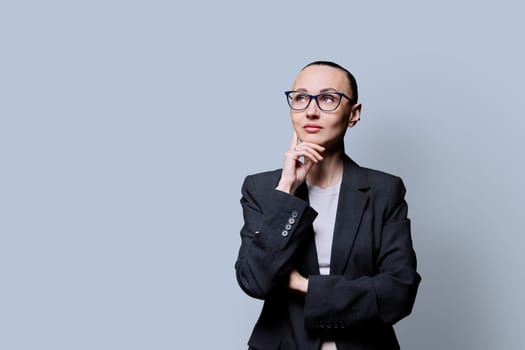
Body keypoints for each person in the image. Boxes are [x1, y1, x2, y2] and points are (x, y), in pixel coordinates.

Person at [235, 61, 421, 350]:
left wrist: (304, 285)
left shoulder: (384, 191)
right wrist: (286, 190)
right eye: (300, 98)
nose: (311, 110)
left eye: (328, 99)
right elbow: (256, 281)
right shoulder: (261, 189)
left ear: (353, 114)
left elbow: (399, 291)